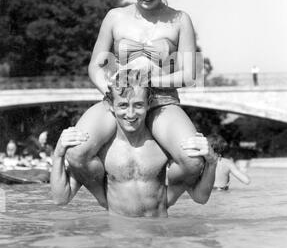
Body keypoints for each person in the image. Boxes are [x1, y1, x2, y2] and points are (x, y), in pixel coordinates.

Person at [65, 0, 207, 204]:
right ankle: (108, 201)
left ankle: (162, 203)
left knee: (192, 160)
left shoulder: (180, 20)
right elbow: (95, 66)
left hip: (162, 102)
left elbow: (190, 74)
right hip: (118, 99)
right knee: (77, 152)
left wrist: (151, 81)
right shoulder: (114, 17)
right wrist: (106, 87)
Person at [51, 70, 218, 217]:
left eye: (138, 105)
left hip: (158, 236)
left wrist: (211, 163)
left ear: (149, 104)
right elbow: (61, 198)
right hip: (119, 238)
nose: (130, 114)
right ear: (110, 105)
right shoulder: (102, 151)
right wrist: (58, 154)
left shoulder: (162, 147)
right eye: (123, 105)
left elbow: (200, 197)